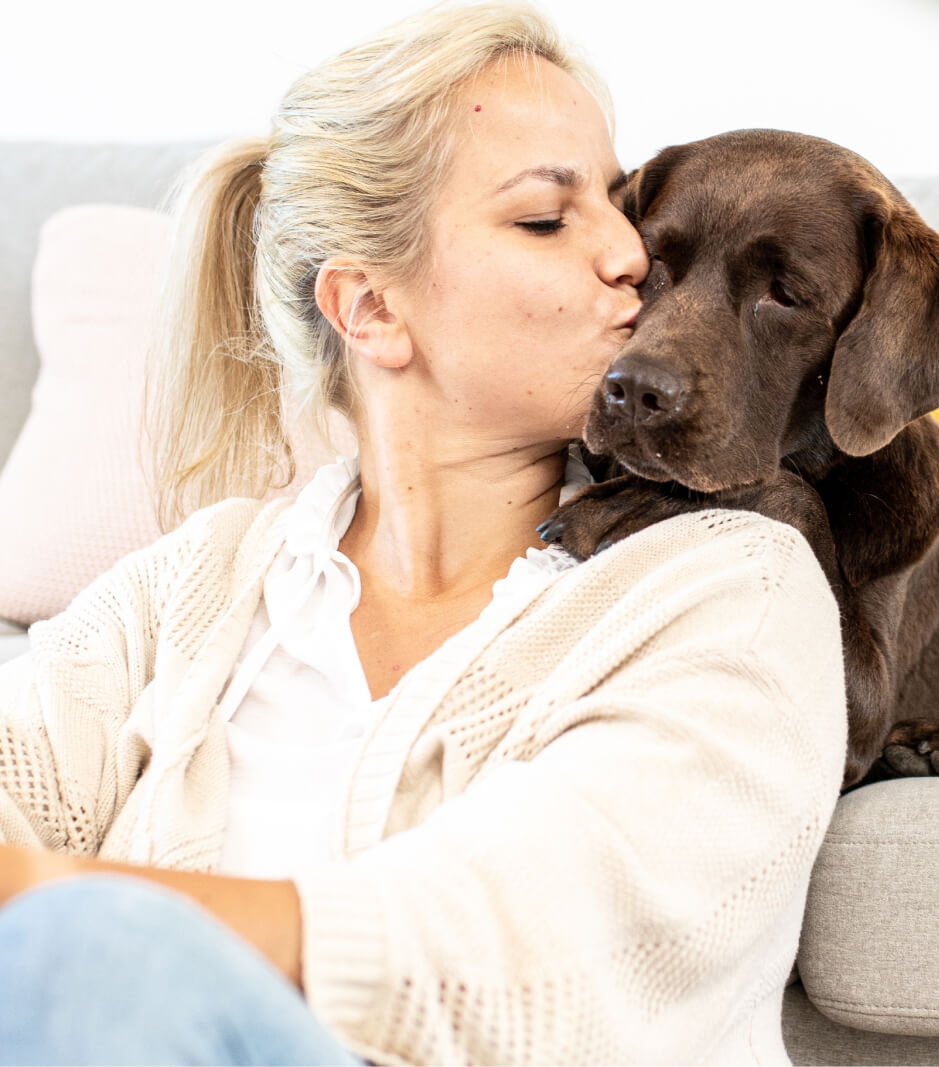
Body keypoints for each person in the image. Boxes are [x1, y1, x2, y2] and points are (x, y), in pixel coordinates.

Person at [0, 4, 848, 1063]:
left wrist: (84, 911)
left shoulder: (731, 592)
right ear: (372, 312)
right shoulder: (198, 584)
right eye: (548, 219)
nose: (632, 253)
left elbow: (519, 947)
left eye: (618, 203)